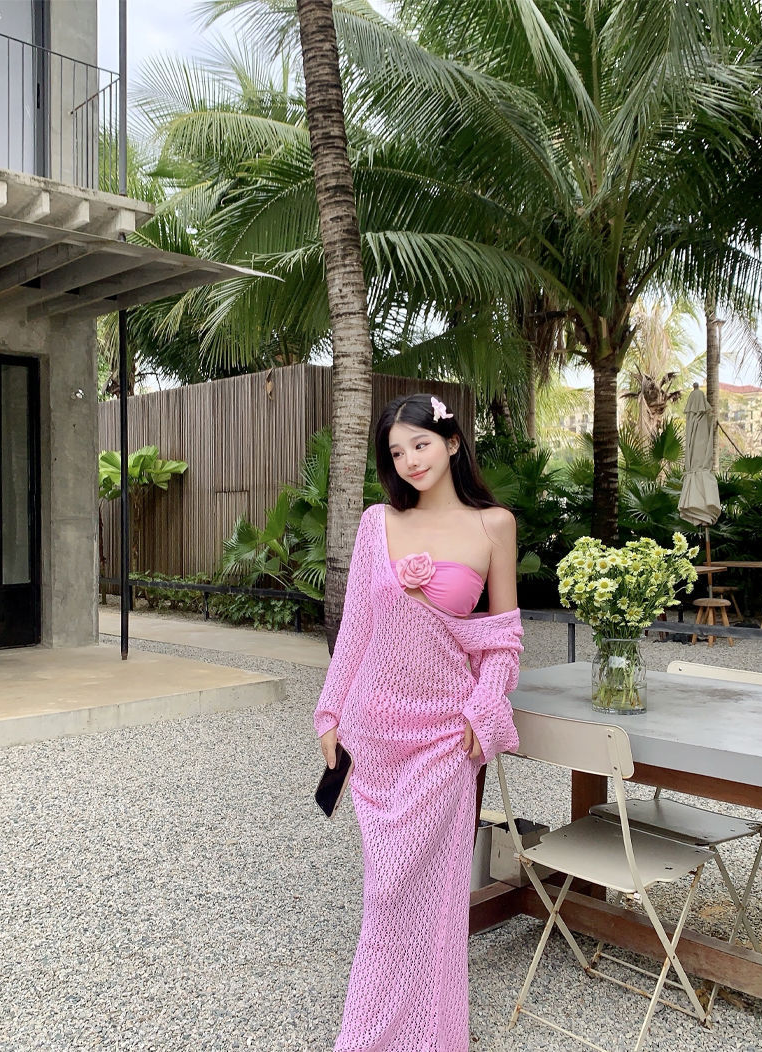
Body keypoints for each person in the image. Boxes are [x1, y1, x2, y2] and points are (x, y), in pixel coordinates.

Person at [314, 393, 524, 1052]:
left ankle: (432, 1036)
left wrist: (484, 708)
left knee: (434, 898)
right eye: (397, 451)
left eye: (421, 444)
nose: (410, 460)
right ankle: (375, 1035)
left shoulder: (494, 526)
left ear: (453, 442)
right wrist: (330, 709)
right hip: (375, 737)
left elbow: (503, 641)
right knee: (386, 893)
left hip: (444, 738)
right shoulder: (376, 522)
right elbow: (357, 627)